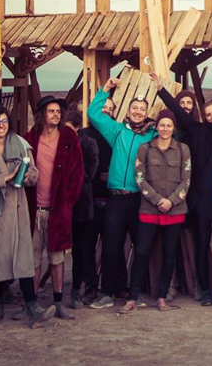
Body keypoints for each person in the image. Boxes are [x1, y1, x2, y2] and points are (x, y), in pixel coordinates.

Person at [0, 106, 55, 327]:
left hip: (16, 211)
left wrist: (27, 177)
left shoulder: (21, 145)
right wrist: (4, 178)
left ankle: (32, 307)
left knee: (23, 258)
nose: (1, 125)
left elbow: (34, 174)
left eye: (5, 121)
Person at [86, 74, 157, 308]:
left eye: (142, 108)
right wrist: (105, 89)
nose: (138, 111)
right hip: (116, 199)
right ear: (128, 111)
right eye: (134, 108)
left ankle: (136, 293)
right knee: (111, 246)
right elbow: (94, 114)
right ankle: (108, 292)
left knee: (142, 246)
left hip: (140, 199)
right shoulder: (117, 131)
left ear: (147, 112)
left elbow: (172, 132)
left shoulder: (152, 135)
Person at [158, 82, 212, 305]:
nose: (211, 117)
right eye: (208, 114)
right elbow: (180, 112)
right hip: (201, 199)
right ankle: (206, 291)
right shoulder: (198, 131)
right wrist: (161, 89)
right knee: (201, 246)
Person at [26, 95, 84, 318]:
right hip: (34, 209)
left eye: (58, 111)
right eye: (51, 111)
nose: (56, 114)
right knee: (32, 258)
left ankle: (58, 302)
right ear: (42, 114)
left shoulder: (68, 137)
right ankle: (32, 304)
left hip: (58, 209)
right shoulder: (30, 138)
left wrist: (67, 202)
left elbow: (78, 173)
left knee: (57, 257)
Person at [129, 109, 191, 311]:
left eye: (169, 125)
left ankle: (162, 296)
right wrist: (157, 200)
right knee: (141, 252)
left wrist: (171, 201)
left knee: (169, 254)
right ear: (156, 126)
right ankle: (132, 297)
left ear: (174, 128)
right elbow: (139, 178)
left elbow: (186, 180)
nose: (165, 129)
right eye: (162, 125)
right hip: (149, 209)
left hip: (174, 210)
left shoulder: (183, 150)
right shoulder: (144, 149)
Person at [75, 102, 112, 307]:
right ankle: (89, 286)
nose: (106, 110)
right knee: (86, 247)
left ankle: (110, 287)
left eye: (110, 108)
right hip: (87, 199)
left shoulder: (115, 133)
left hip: (111, 198)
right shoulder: (84, 135)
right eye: (103, 107)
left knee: (110, 247)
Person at [64, 106, 100, 309]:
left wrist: (67, 177)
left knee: (82, 250)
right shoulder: (58, 142)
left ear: (77, 127)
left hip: (81, 206)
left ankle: (78, 288)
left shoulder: (87, 143)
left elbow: (88, 173)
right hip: (61, 205)